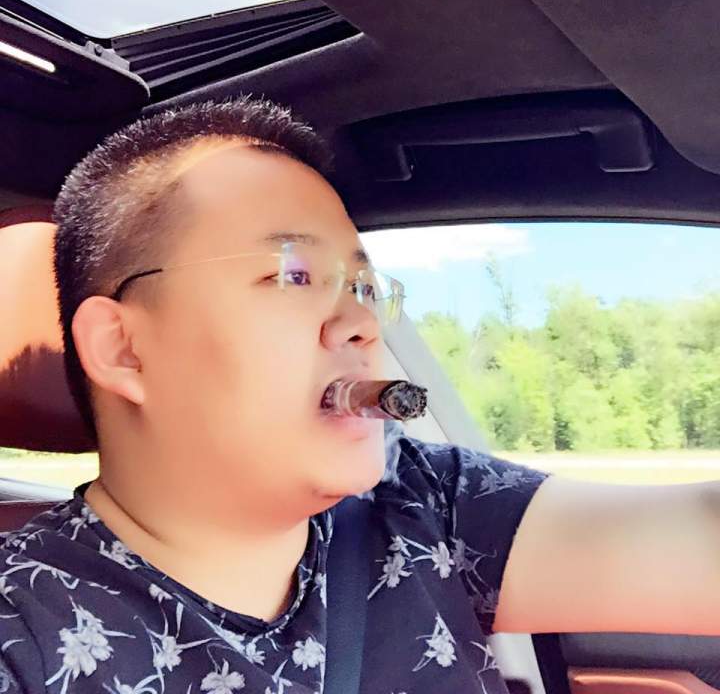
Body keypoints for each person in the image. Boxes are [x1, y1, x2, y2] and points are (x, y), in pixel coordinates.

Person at [0, 96, 714, 694]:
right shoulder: (21, 628)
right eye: (293, 275)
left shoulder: (424, 504)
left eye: (365, 287)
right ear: (124, 349)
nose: (363, 323)